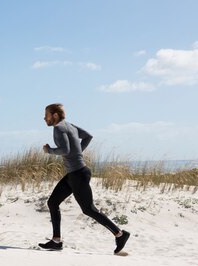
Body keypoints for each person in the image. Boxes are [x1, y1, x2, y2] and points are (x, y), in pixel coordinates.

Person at [39, 103, 130, 254]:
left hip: (78, 174)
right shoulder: (70, 126)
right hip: (74, 173)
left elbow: (65, 150)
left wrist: (50, 150)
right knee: (53, 202)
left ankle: (120, 234)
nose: (44, 118)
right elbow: (88, 136)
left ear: (55, 115)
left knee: (88, 209)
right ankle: (56, 241)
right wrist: (78, 152)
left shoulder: (58, 128)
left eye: (46, 115)